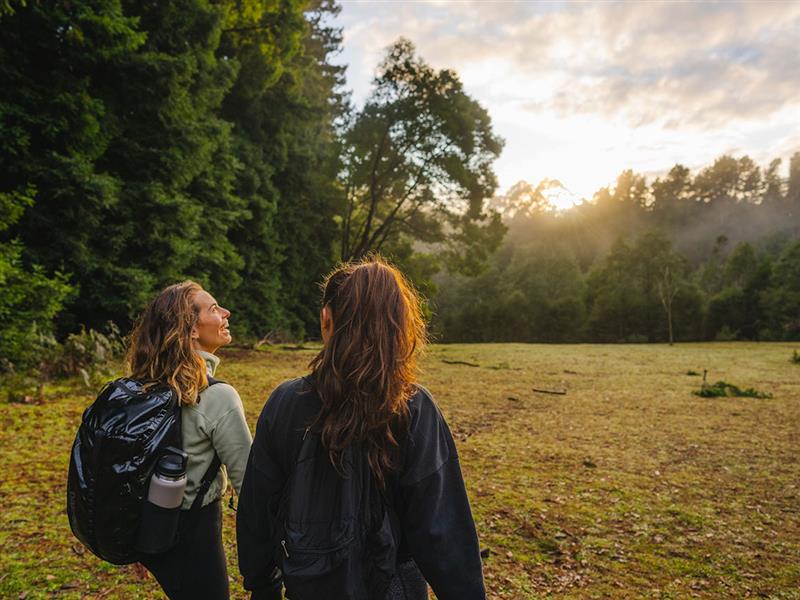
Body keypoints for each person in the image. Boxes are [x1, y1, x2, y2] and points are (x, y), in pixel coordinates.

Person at [237, 257, 486, 600]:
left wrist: (262, 584)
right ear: (400, 324)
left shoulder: (285, 402)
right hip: (395, 586)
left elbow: (257, 507)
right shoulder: (413, 408)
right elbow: (442, 531)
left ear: (327, 319)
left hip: (307, 583)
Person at [129, 281, 252, 599]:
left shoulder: (142, 385)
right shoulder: (217, 396)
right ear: (192, 330)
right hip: (195, 535)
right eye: (214, 309)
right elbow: (250, 485)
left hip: (152, 527)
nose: (226, 313)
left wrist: (141, 537)